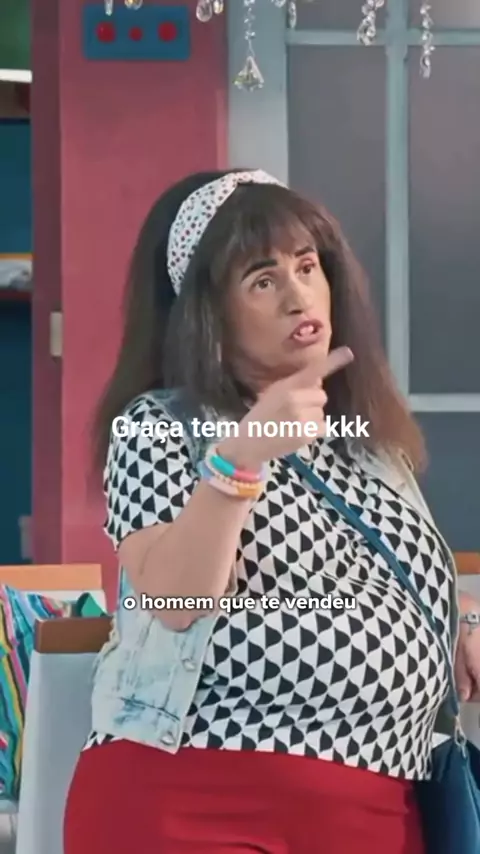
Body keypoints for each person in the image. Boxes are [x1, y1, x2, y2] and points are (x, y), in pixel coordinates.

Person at [64, 168, 480, 854]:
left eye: (307, 267)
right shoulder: (158, 425)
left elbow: (374, 577)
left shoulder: (373, 447)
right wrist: (240, 457)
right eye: (263, 280)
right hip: (193, 793)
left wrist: (457, 618)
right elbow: (175, 600)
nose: (298, 296)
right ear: (208, 314)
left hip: (379, 806)